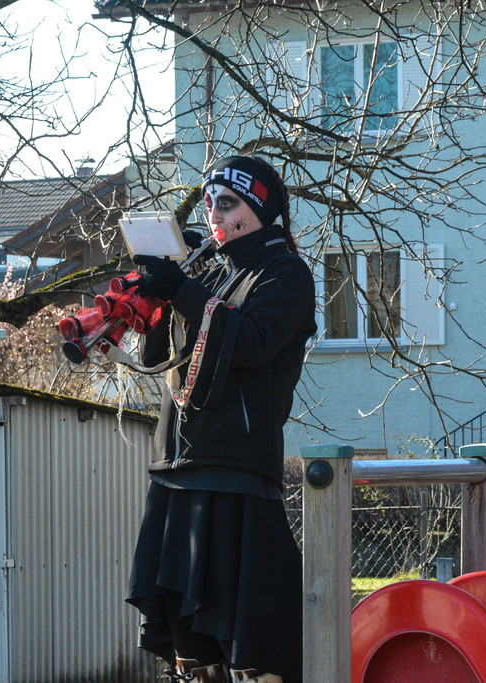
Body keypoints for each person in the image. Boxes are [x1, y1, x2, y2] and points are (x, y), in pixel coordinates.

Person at [125, 155, 316, 683]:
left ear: (260, 210)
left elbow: (252, 344)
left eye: (228, 204)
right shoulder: (207, 271)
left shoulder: (286, 274)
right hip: (178, 469)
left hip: (238, 472)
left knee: (256, 647)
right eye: (210, 203)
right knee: (190, 650)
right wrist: (155, 296)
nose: (214, 214)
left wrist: (184, 290)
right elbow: (158, 359)